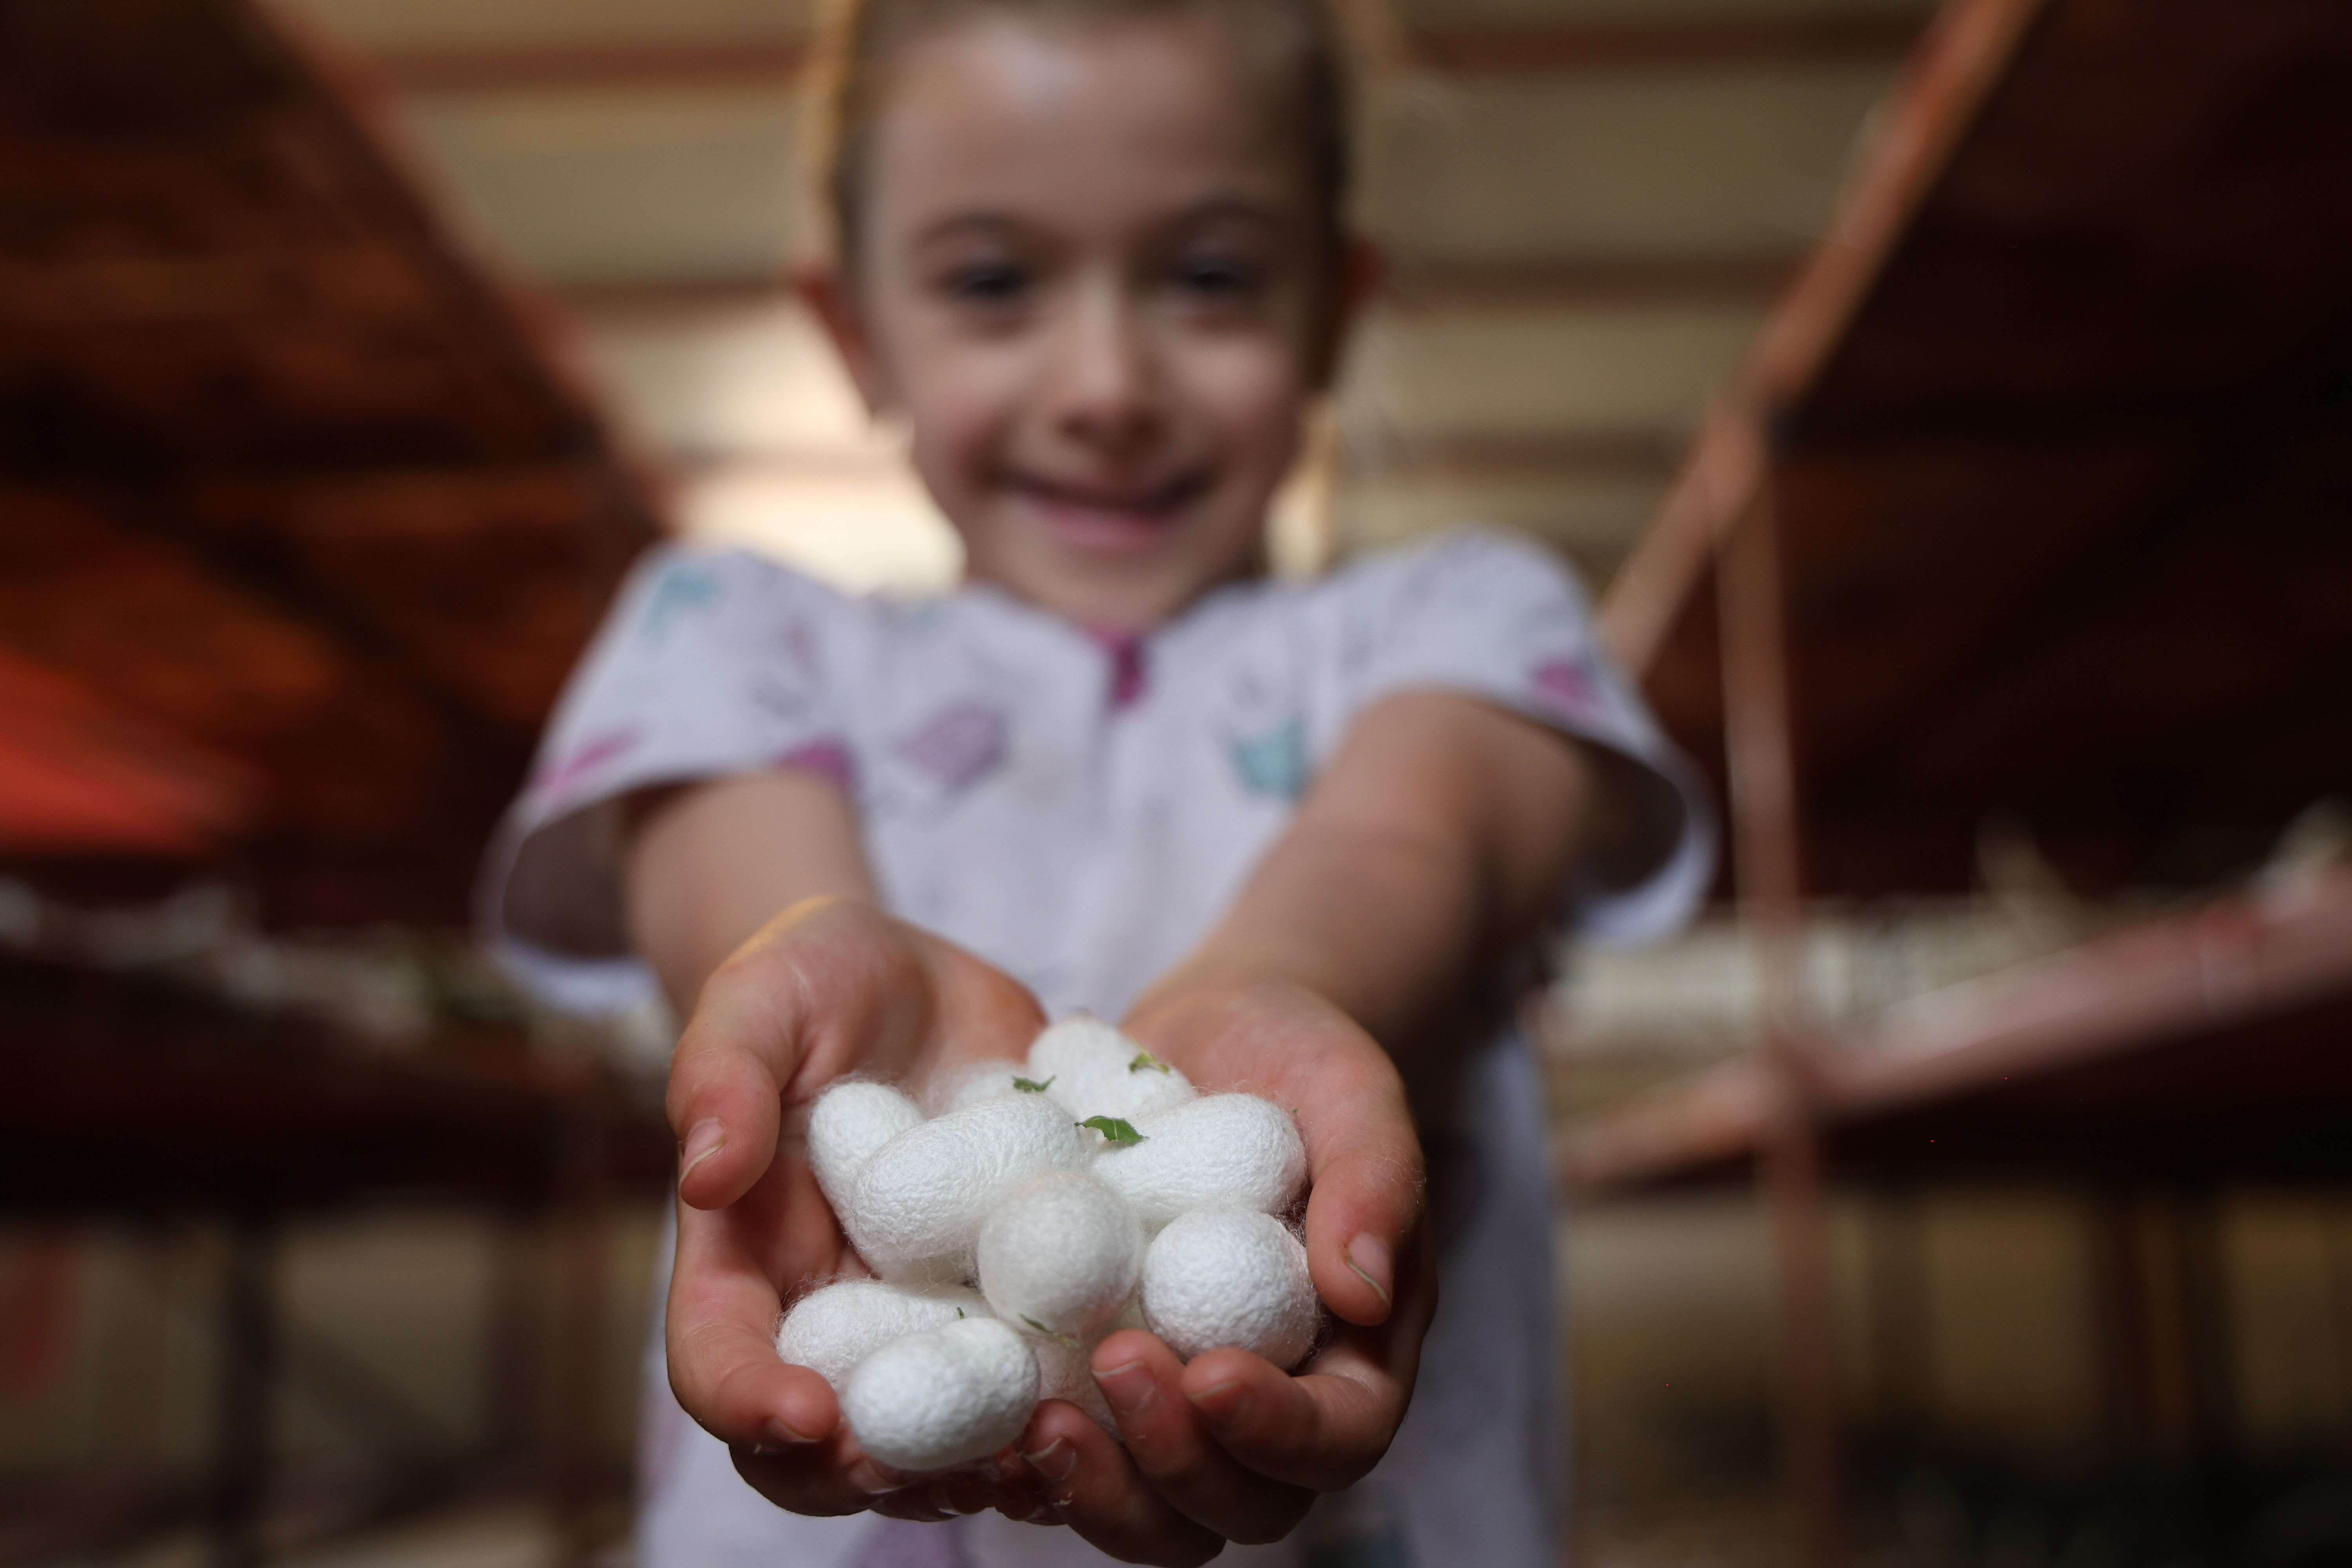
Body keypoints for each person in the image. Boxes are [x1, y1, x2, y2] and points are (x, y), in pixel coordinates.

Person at [482, 0, 1710, 1563]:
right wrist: (814, 944)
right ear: (853, 331)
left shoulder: (1466, 619)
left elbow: (1420, 834)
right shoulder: (732, 630)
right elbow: (734, 883)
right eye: (994, 283)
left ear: (1336, 310)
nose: (1109, 382)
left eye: (1209, 277)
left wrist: (1279, 981)